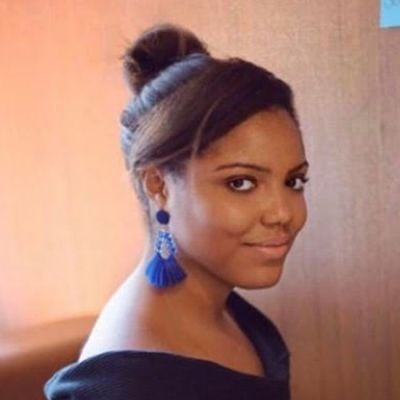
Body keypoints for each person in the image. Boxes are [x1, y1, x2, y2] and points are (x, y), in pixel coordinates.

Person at [44, 22, 309, 400]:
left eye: (293, 181)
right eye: (241, 183)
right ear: (159, 185)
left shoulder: (223, 308)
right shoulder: (131, 385)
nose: (283, 212)